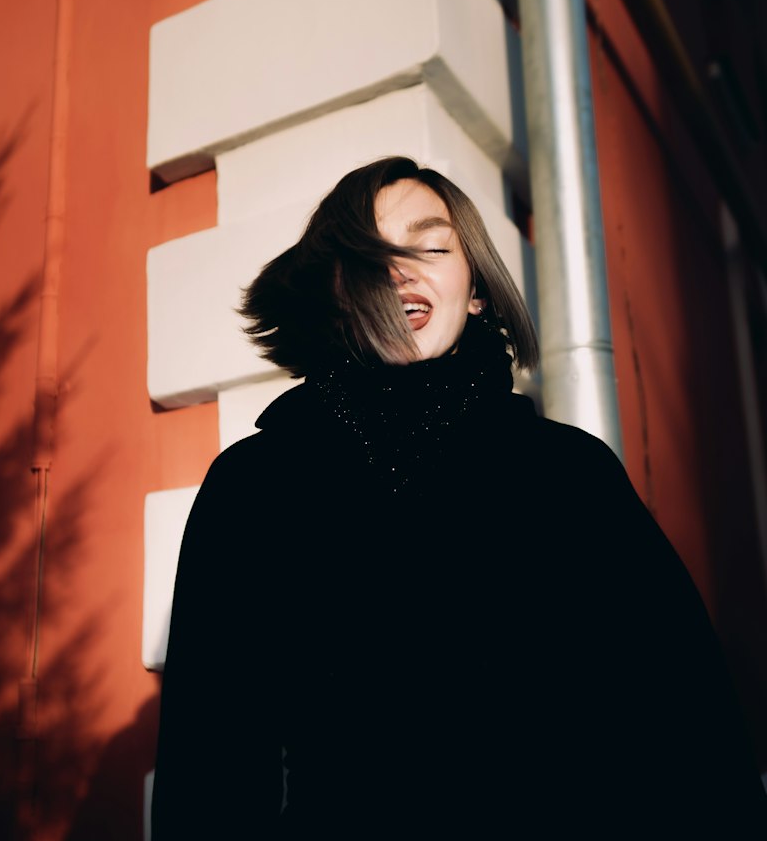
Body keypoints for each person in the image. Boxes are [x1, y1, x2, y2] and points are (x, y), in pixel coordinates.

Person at [152, 156, 767, 838]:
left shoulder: (570, 477)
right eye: (368, 253)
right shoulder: (254, 489)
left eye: (431, 246)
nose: (399, 269)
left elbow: (690, 735)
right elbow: (209, 773)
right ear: (334, 291)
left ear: (475, 290)